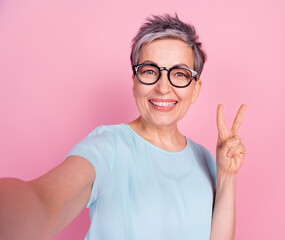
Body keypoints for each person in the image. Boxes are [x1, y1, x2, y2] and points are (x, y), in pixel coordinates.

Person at [0, 14, 247, 240]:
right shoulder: (108, 146)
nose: (163, 87)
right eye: (150, 71)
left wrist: (227, 176)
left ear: (195, 89)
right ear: (134, 82)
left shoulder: (203, 157)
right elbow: (43, 202)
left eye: (180, 74)